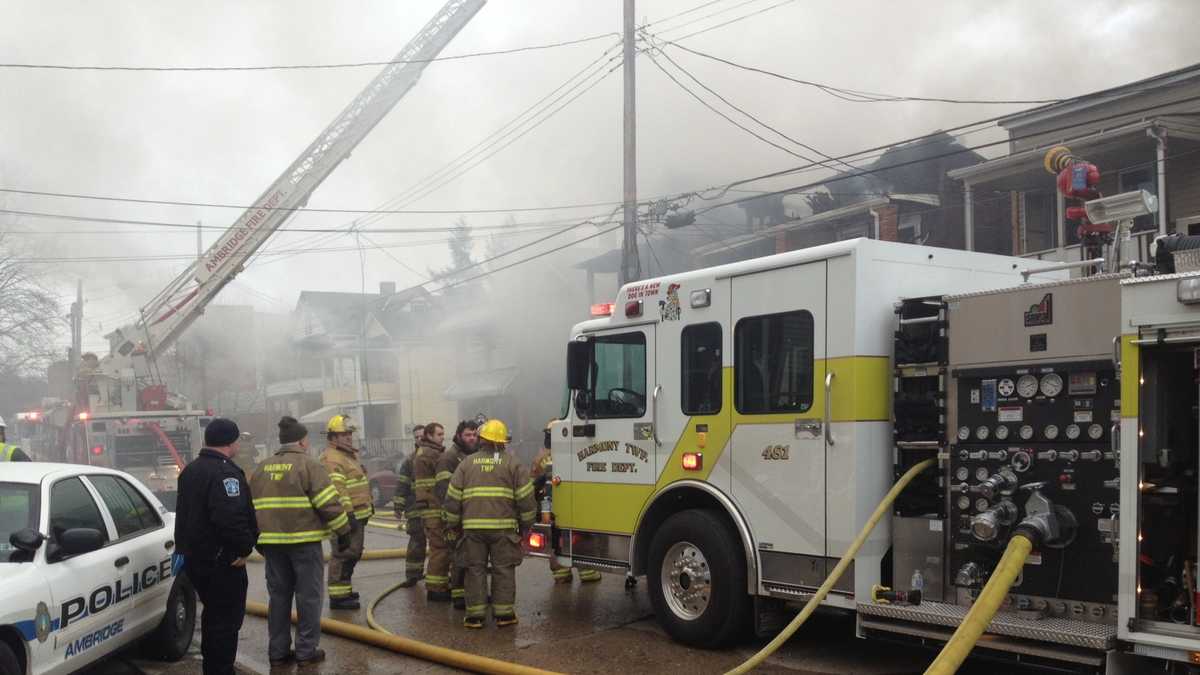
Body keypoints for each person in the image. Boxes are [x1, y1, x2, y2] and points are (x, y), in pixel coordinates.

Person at [251, 417, 353, 667]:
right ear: (302, 441)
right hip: (304, 543)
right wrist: (343, 531)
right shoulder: (309, 465)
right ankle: (306, 651)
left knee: (279, 598)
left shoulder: (262, 468)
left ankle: (277, 651)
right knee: (308, 598)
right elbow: (328, 503)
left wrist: (257, 540)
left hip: (272, 546)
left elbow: (251, 507)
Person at [175, 418, 258, 675]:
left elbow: (184, 516)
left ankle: (213, 668)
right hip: (223, 563)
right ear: (230, 442)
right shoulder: (225, 473)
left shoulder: (191, 470)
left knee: (213, 618)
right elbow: (230, 518)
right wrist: (243, 549)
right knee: (225, 623)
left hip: (197, 561)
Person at [444, 419, 536, 629]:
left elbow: (452, 498)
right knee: (503, 570)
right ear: (502, 442)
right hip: (503, 530)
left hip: (472, 530)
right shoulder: (513, 464)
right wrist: (526, 525)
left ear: (482, 439)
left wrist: (453, 524)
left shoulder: (466, 463)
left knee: (474, 569)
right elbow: (526, 498)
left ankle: (475, 616)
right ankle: (504, 615)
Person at [531, 429, 600, 585]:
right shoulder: (576, 453)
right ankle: (587, 572)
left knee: (556, 541)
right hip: (575, 506)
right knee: (581, 537)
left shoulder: (540, 459)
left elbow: (534, 486)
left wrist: (541, 510)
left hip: (551, 508)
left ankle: (561, 574)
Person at [320, 414, 373, 609]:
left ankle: (344, 589)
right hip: (346, 517)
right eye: (344, 435)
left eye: (350, 434)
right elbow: (339, 490)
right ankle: (338, 597)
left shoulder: (347, 455)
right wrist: (348, 515)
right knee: (343, 554)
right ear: (333, 437)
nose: (349, 437)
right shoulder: (332, 459)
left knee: (353, 553)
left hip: (357, 515)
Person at [435, 420, 478, 609]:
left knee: (473, 557)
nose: (472, 438)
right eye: (468, 435)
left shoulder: (474, 456)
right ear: (459, 436)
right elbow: (444, 490)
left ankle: (471, 594)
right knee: (459, 557)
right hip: (456, 517)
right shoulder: (449, 458)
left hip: (472, 516)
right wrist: (454, 516)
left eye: (474, 435)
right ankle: (459, 597)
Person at [412, 422, 449, 600]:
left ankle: (439, 585)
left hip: (430, 507)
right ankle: (435, 590)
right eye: (439, 434)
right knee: (440, 548)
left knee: (438, 548)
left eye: (443, 434)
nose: (443, 437)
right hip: (434, 508)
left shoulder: (424, 452)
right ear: (429, 435)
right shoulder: (431, 454)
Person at [393, 424, 427, 588]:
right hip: (415, 508)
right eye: (416, 437)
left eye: (422, 436)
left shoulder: (439, 456)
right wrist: (398, 506)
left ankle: (442, 575)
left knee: (440, 545)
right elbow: (403, 484)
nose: (419, 439)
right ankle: (413, 575)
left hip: (434, 508)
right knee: (416, 543)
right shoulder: (409, 460)